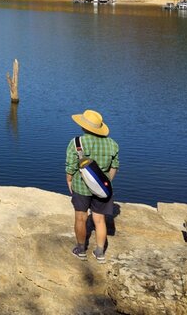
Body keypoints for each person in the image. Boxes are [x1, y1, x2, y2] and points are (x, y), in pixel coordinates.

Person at [65, 109, 119, 263]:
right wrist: (107, 182)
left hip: (81, 187)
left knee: (81, 218)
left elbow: (71, 167)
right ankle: (100, 252)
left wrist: (69, 181)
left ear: (84, 127)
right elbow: (114, 166)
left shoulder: (77, 143)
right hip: (102, 189)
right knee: (100, 220)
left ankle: (81, 249)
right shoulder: (112, 144)